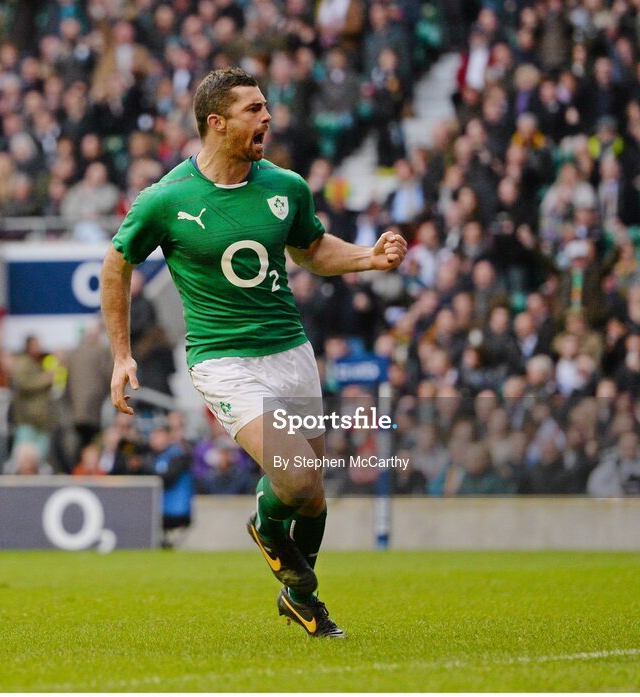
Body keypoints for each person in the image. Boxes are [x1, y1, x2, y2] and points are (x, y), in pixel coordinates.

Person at [101, 67, 407, 639]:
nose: (268, 117)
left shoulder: (285, 186)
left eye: (266, 106)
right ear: (216, 123)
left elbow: (312, 249)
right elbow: (116, 265)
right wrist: (122, 354)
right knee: (294, 479)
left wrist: (369, 256)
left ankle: (299, 598)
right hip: (224, 358)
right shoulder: (166, 199)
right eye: (254, 109)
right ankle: (268, 531)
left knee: (312, 494)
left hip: (289, 351)